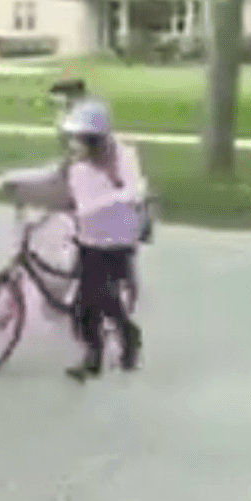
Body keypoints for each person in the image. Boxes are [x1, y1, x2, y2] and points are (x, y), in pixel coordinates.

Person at [52, 99, 146, 382]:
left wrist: (97, 205)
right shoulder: (76, 165)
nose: (72, 145)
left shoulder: (122, 157)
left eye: (78, 139)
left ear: (94, 140)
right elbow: (52, 179)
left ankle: (100, 353)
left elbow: (135, 190)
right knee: (89, 304)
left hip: (117, 238)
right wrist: (10, 180)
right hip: (88, 239)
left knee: (96, 298)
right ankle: (112, 342)